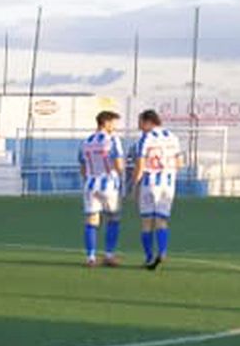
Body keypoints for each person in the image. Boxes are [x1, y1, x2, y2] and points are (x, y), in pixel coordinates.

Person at [131, 109, 184, 270]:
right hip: (168, 184)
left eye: (140, 122)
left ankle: (148, 258)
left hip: (150, 182)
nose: (139, 125)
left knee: (147, 222)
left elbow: (140, 166)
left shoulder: (145, 139)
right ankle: (162, 251)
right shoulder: (173, 137)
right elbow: (180, 163)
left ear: (148, 122)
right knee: (162, 220)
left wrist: (134, 185)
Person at [79, 110, 126, 266]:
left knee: (91, 220)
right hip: (109, 185)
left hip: (90, 185)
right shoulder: (112, 140)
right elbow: (119, 165)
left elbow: (83, 167)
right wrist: (121, 176)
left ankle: (91, 257)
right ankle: (109, 255)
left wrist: (89, 179)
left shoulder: (86, 142)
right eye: (113, 122)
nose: (115, 126)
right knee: (113, 219)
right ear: (105, 123)